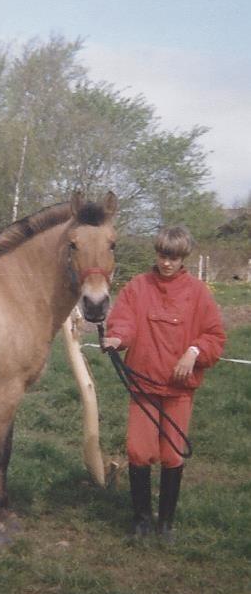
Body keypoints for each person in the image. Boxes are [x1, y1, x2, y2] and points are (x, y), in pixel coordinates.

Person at [102, 226, 226, 541]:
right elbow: (124, 321)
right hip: (143, 387)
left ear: (183, 257)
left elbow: (214, 335)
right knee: (138, 451)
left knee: (173, 455)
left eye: (173, 257)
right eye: (162, 256)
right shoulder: (137, 287)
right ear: (156, 253)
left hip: (178, 390)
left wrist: (194, 351)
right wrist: (118, 338)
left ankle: (166, 523)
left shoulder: (198, 293)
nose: (166, 263)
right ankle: (141, 520)